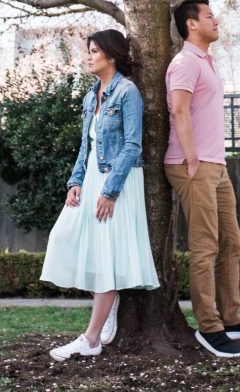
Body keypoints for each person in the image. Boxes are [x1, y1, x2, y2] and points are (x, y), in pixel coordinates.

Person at [164, 0, 240, 359]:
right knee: (205, 247)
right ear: (191, 24)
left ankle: (232, 318)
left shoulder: (208, 63)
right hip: (191, 165)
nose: (217, 21)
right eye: (210, 16)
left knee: (231, 243)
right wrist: (193, 157)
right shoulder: (183, 63)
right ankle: (209, 328)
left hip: (217, 166)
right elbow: (178, 110)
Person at [41, 29, 159, 361]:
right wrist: (75, 181)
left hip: (117, 180)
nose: (89, 56)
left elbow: (133, 144)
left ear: (110, 55)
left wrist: (110, 191)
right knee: (65, 237)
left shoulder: (127, 92)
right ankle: (108, 303)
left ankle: (90, 340)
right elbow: (87, 144)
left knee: (105, 254)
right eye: (88, 50)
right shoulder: (91, 96)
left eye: (94, 50)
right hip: (92, 176)